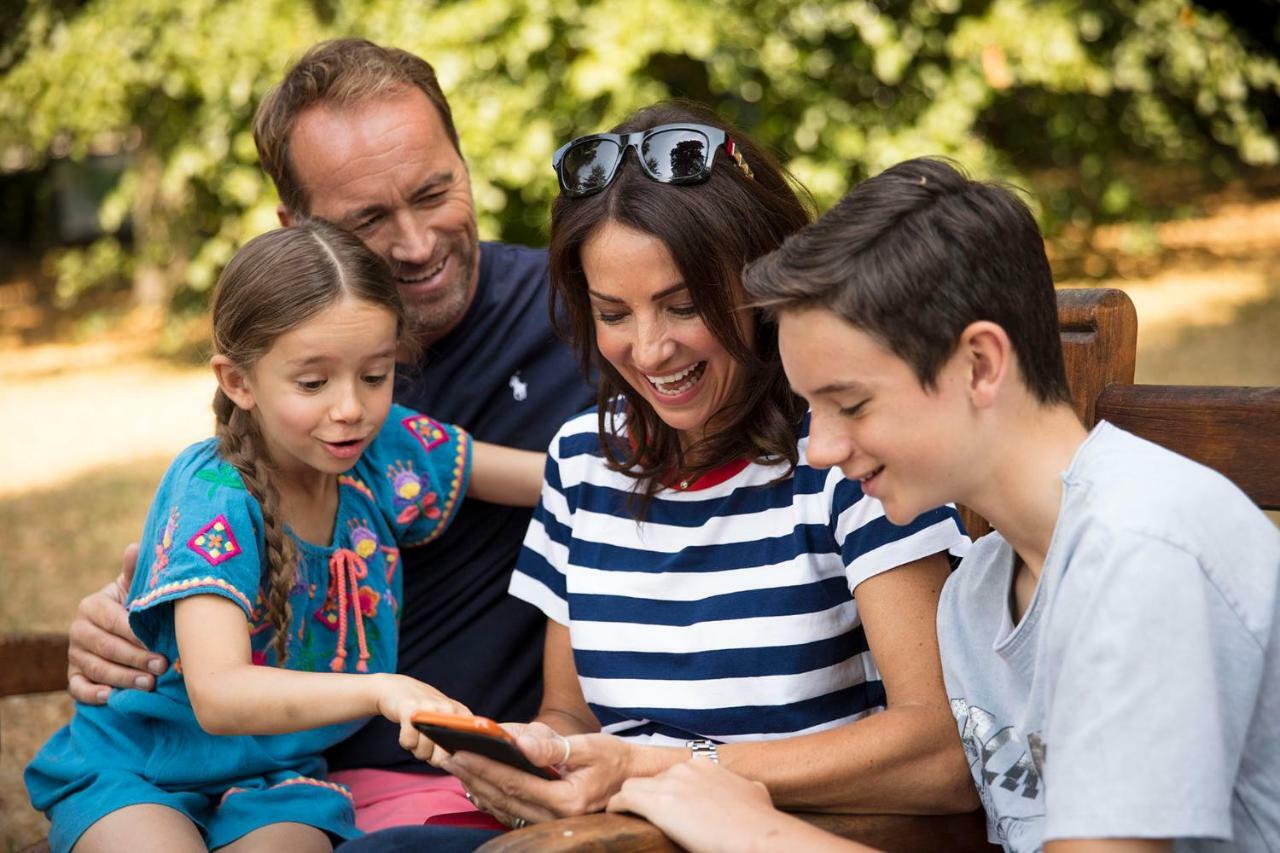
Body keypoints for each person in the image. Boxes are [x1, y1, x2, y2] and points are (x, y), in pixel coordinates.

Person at [343, 103, 976, 852]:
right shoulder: (582, 460)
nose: (649, 350)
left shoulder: (846, 454)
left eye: (682, 306)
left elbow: (941, 753)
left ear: (756, 286)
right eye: (613, 312)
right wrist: (534, 759)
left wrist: (656, 771)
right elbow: (571, 717)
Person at [608, 157, 1280, 852]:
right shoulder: (978, 596)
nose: (820, 448)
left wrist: (754, 833)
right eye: (813, 409)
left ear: (980, 364)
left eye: (850, 403)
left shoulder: (1142, 550)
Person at [61, 39, 596, 831]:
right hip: (217, 754)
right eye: (370, 219)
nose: (415, 244)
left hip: (354, 781)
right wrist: (115, 616)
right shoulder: (290, 390)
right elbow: (214, 548)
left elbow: (583, 477)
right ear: (300, 229)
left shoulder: (585, 318)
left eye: (434, 190)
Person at [26, 221, 549, 852]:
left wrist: (669, 464)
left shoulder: (385, 454)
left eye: (375, 375)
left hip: (279, 780)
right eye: (312, 382)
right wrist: (382, 691)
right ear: (238, 382)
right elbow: (219, 694)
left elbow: (554, 480)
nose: (350, 407)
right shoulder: (215, 497)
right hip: (142, 765)